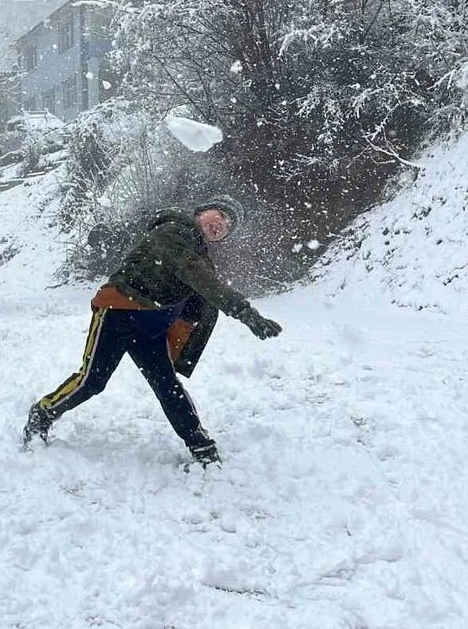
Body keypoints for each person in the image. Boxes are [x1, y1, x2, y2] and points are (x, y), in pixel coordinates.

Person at [21, 195, 282, 466]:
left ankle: (200, 445)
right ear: (203, 211)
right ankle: (42, 413)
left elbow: (204, 299)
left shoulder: (199, 255)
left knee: (167, 385)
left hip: (150, 329)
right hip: (117, 313)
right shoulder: (173, 231)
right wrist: (245, 312)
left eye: (228, 226)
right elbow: (199, 277)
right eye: (221, 216)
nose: (222, 225)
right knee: (92, 380)